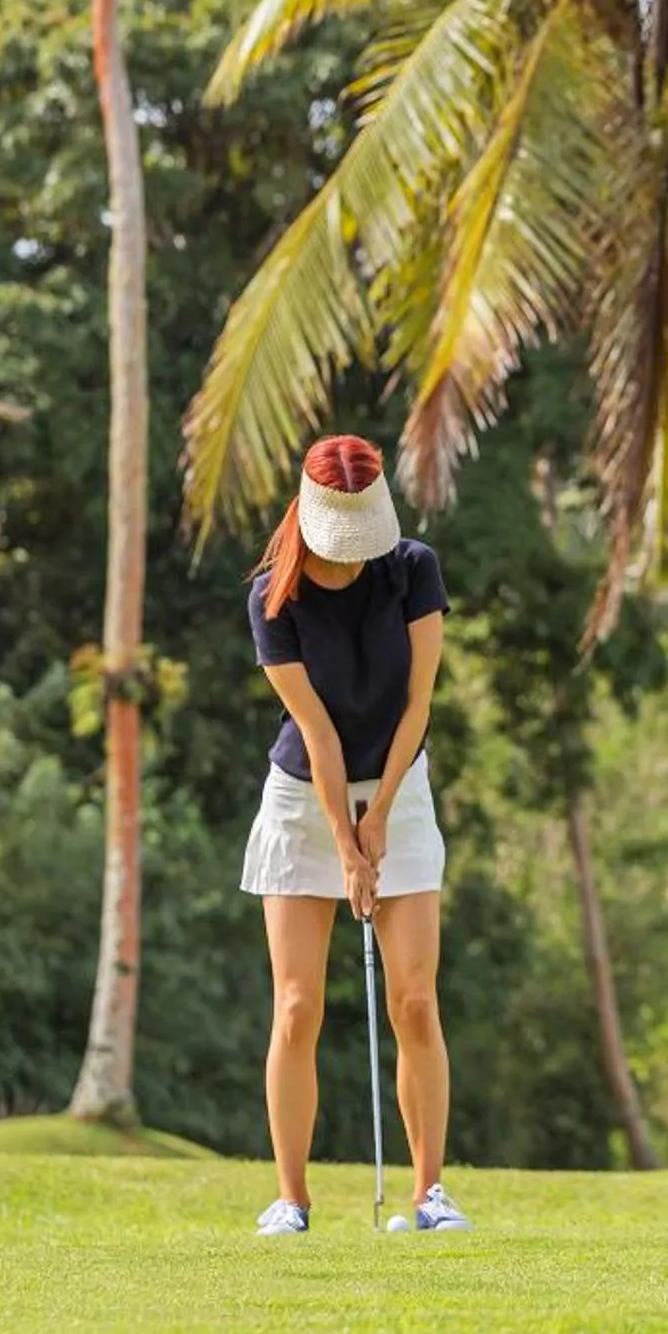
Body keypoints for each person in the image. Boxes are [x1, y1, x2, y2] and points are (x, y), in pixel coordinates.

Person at [240, 434, 469, 1236]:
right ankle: (291, 1199)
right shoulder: (275, 595)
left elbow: (416, 708)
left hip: (400, 790)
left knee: (413, 998)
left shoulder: (412, 570)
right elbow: (322, 736)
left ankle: (430, 1194)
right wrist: (346, 841)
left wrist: (378, 820)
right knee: (298, 1006)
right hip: (306, 799)